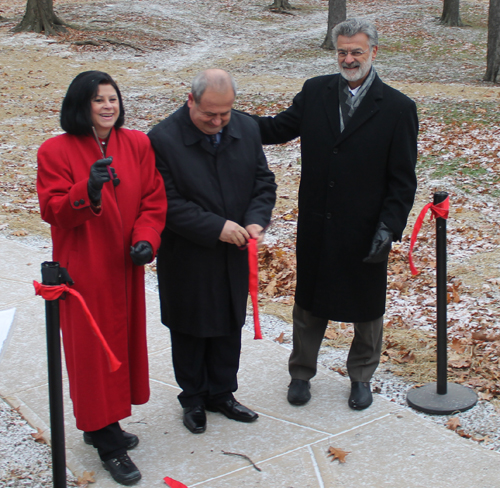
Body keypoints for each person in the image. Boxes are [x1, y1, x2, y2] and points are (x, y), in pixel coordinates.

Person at [252, 18, 418, 410]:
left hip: (365, 227)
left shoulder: (398, 108)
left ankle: (361, 376)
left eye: (356, 51)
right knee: (309, 302)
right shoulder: (316, 91)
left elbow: (402, 181)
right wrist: (224, 115)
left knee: (366, 308)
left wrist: (389, 227)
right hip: (318, 222)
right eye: (342, 51)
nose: (348, 58)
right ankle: (301, 373)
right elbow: (277, 128)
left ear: (373, 52)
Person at [37, 71, 167, 485]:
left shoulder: (138, 143)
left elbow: (153, 198)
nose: (108, 106)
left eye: (113, 98)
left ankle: (104, 424)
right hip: (85, 270)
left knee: (121, 345)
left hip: (124, 267)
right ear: (81, 105)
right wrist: (87, 190)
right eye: (98, 100)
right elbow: (52, 209)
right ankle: (104, 438)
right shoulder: (54, 151)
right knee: (92, 354)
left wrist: (147, 239)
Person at [148, 69, 276, 435]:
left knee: (227, 324)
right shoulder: (162, 139)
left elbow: (263, 181)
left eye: (225, 113)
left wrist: (255, 220)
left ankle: (222, 393)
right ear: (191, 100)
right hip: (187, 254)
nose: (218, 121)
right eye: (210, 114)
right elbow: (165, 202)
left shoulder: (246, 129)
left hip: (234, 251)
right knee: (189, 327)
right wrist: (216, 227)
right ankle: (193, 398)